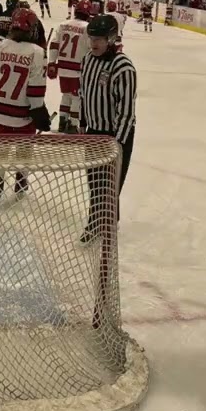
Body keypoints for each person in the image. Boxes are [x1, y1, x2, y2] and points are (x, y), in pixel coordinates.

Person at [77, 14, 137, 244]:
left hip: (115, 135)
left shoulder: (123, 67)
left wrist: (118, 144)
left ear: (112, 38)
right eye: (92, 38)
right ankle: (106, 217)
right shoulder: (87, 60)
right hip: (93, 130)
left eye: (100, 39)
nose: (94, 43)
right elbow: (83, 94)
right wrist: (82, 123)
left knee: (110, 186)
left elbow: (127, 111)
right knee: (95, 182)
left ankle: (98, 221)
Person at [0, 8, 51, 199]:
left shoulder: (0, 47)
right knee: (23, 152)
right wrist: (39, 112)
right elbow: (36, 89)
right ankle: (20, 186)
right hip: (22, 115)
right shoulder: (37, 52)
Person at [47, 1, 94, 133]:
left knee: (66, 95)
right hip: (78, 69)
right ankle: (73, 125)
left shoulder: (63, 24)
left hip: (62, 67)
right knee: (76, 97)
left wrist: (52, 63)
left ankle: (62, 121)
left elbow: (54, 44)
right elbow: (91, 47)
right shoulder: (88, 27)